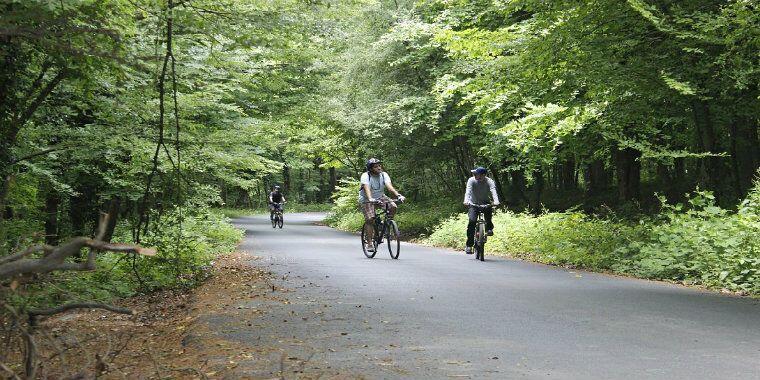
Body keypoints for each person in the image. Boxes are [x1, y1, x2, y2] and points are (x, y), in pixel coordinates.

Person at [359, 158, 405, 252]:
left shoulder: (384, 175)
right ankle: (370, 243)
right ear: (371, 169)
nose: (379, 168)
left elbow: (389, 187)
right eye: (376, 166)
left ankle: (387, 225)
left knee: (393, 206)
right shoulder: (365, 176)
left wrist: (398, 195)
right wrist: (371, 199)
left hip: (380, 196)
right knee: (370, 219)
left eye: (379, 166)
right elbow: (366, 188)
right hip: (367, 199)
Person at [463, 167, 500, 254]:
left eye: (476, 174)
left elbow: (493, 191)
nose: (474, 175)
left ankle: (489, 228)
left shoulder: (489, 181)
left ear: (483, 175)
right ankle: (469, 245)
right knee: (472, 222)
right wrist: (466, 200)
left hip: (485, 204)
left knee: (488, 217)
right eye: (474, 174)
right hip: (473, 204)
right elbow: (468, 191)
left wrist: (496, 201)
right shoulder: (471, 180)